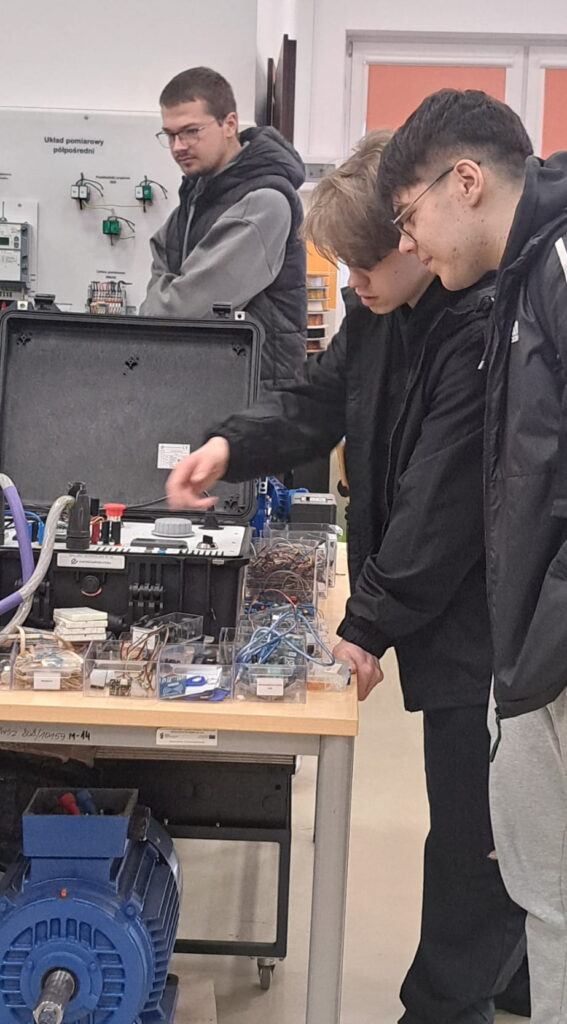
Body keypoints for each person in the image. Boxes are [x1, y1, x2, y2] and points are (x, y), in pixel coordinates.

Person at [167, 129, 527, 1024]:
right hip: (442, 608)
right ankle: (506, 979)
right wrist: (228, 445)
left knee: (472, 836)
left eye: (366, 263)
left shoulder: (477, 329)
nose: (353, 282)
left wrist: (366, 624)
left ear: (412, 239)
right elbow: (316, 401)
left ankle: (449, 1008)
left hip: (492, 620)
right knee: (484, 825)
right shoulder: (380, 314)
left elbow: (441, 501)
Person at [377, 86, 567, 1024]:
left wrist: (544, 637)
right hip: (531, 653)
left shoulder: (557, 266)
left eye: (408, 217)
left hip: (549, 651)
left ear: (465, 181)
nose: (407, 244)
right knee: (541, 893)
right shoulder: (518, 282)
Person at [139, 66, 307, 389]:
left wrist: (161, 304)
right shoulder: (195, 197)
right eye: (170, 135)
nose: (178, 146)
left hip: (253, 398)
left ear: (229, 124)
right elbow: (160, 256)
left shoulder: (265, 202)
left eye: (191, 131)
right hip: (207, 388)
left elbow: (183, 312)